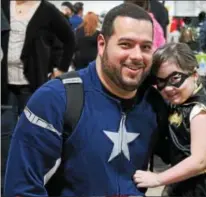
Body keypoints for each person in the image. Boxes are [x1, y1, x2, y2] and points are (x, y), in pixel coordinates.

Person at [4, 3, 169, 196]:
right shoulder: (55, 99)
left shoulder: (154, 103)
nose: (137, 56)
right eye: (126, 44)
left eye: (146, 47)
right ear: (102, 44)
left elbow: (190, 159)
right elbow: (21, 189)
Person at [133, 43, 206, 197]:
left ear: (194, 75)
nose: (168, 88)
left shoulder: (199, 111)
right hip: (190, 185)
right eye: (161, 82)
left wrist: (158, 179)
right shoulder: (182, 103)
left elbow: (199, 161)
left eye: (175, 78)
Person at [1, 0, 75, 194]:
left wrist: (60, 70)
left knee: (31, 138)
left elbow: (69, 38)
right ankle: (5, 186)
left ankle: (29, 185)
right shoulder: (3, 5)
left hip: (32, 85)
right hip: (4, 86)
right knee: (4, 138)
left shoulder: (46, 10)